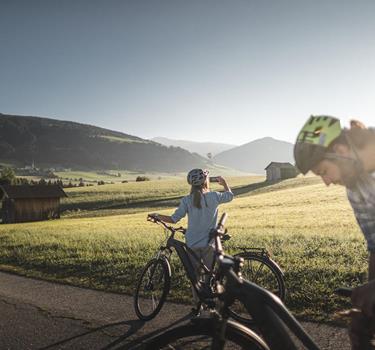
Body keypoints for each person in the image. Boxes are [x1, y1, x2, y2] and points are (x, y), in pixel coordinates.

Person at [294, 115, 375, 349]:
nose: (327, 182)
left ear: (341, 151)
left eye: (323, 171)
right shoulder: (356, 189)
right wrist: (366, 311)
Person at [149, 168, 234, 315]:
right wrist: (224, 183)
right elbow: (230, 196)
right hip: (209, 244)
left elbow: (173, 219)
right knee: (209, 277)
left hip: (192, 245)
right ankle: (212, 307)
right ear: (206, 181)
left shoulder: (187, 200)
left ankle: (198, 307)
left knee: (195, 278)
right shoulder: (214, 196)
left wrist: (157, 215)